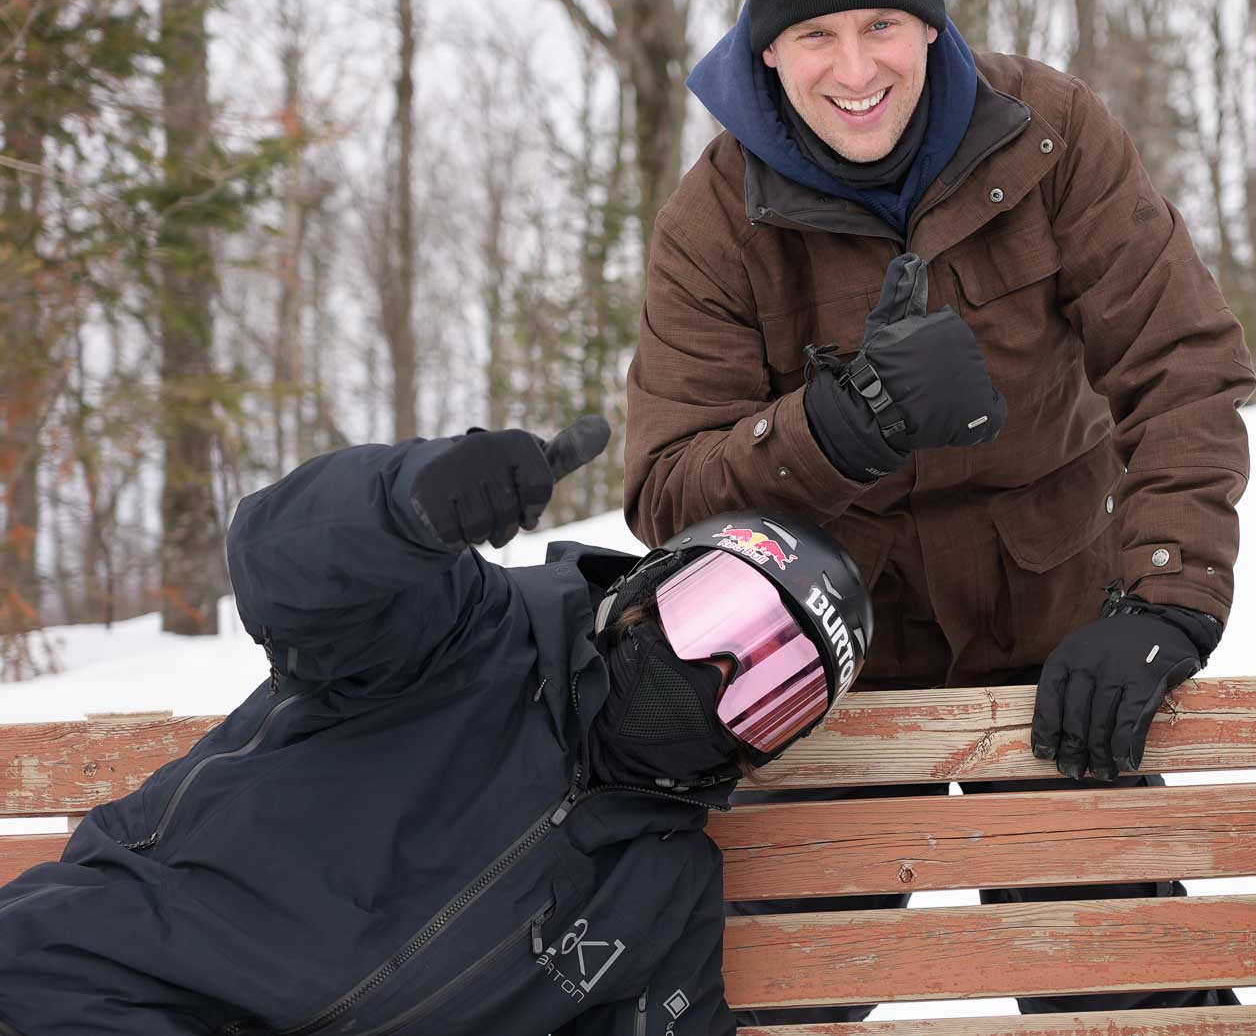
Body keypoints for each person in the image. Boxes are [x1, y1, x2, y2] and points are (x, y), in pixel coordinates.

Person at [624, 0, 1254, 1023]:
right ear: (769, 50)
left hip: (1051, 648)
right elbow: (663, 487)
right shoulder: (715, 219)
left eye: (881, 24)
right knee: (761, 1000)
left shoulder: (1053, 135)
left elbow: (1182, 365)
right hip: (824, 680)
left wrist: (1165, 598)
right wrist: (833, 430)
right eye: (815, 33)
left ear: (929, 27)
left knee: (1134, 990)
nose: (853, 65)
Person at [0, 417, 874, 1036]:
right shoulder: (461, 633)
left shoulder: (661, 893)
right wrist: (403, 509)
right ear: (643, 590)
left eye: (772, 686)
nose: (714, 674)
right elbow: (283, 571)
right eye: (713, 619)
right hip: (96, 982)